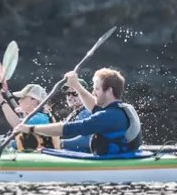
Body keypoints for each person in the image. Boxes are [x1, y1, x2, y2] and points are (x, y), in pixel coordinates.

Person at [13, 67, 142, 156]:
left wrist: (31, 129)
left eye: (96, 89)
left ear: (108, 90)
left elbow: (71, 128)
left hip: (114, 165)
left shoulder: (108, 116)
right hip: (114, 159)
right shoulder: (115, 111)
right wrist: (76, 86)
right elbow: (93, 106)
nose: (93, 93)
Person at [0, 83, 59, 151]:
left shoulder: (40, 118)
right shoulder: (39, 116)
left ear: (33, 100)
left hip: (44, 158)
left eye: (23, 98)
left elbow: (17, 125)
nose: (19, 101)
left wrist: (2, 102)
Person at [61, 79, 92, 152]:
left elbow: (87, 139)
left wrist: (60, 143)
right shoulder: (73, 113)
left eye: (74, 93)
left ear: (84, 94)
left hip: (82, 159)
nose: (70, 97)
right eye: (68, 93)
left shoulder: (86, 113)